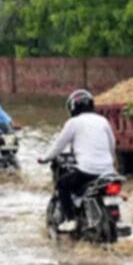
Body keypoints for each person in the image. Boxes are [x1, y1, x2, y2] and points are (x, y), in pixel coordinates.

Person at [39, 89, 116, 232]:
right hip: (108, 172)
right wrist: (110, 163)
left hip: (88, 171)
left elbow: (58, 145)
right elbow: (112, 145)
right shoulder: (103, 121)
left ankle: (70, 219)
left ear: (73, 107)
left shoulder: (73, 122)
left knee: (63, 185)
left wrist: (45, 158)